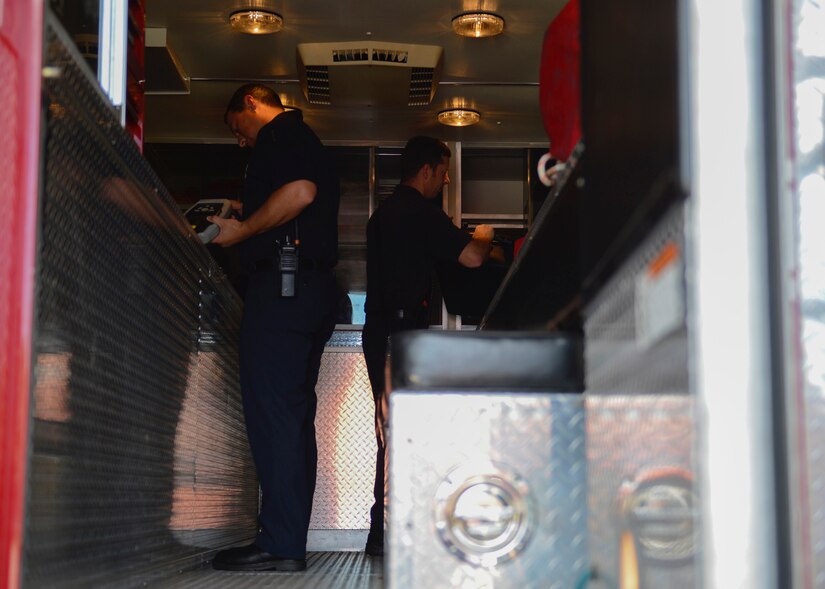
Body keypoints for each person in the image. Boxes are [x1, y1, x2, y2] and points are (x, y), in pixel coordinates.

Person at [208, 84, 340, 572]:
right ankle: (286, 539)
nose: (239, 140)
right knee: (292, 420)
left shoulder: (281, 133)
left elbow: (301, 192)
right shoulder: (298, 139)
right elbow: (297, 196)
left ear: (251, 104)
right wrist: (250, 210)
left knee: (276, 418)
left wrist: (243, 230)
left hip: (284, 293)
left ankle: (281, 544)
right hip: (305, 291)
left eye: (235, 127)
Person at [361, 136, 496, 556]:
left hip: (379, 332)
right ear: (427, 171)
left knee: (389, 431)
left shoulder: (382, 214)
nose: (445, 179)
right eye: (443, 172)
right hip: (400, 336)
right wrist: (486, 235)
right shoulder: (421, 213)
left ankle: (382, 533)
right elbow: (472, 258)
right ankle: (390, 535)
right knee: (402, 433)